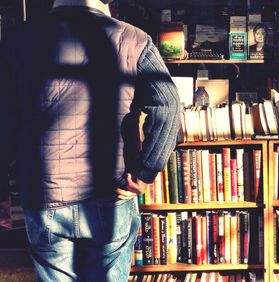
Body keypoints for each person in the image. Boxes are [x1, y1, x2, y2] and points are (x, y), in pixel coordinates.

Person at [0, 0, 180, 281]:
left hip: (44, 192)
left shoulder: (15, 40)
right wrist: (146, 171)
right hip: (110, 193)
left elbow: (4, 122)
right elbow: (168, 104)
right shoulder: (134, 39)